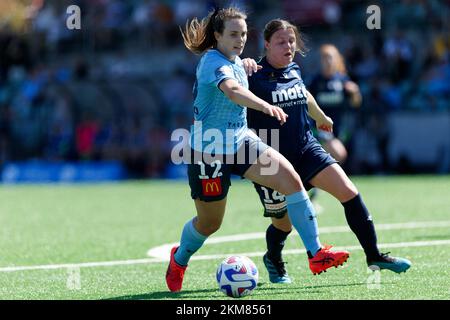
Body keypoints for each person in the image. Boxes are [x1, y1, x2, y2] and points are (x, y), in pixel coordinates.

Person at [165, 8, 349, 293]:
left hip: (241, 142)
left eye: (243, 34)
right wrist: (265, 106)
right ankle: (179, 258)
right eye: (233, 34)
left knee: (292, 181)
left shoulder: (238, 61)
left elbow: (241, 75)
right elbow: (232, 91)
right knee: (210, 223)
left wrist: (247, 63)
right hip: (209, 151)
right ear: (217, 36)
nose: (240, 40)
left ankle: (316, 253)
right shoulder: (211, 62)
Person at [245, 19, 411, 284]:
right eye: (280, 42)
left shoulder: (295, 68)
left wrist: (320, 115)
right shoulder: (251, 74)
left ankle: (374, 255)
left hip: (306, 147)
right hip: (271, 160)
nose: (288, 46)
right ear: (266, 45)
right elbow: (228, 88)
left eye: (291, 41)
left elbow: (305, 94)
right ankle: (273, 258)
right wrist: (239, 65)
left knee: (349, 191)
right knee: (283, 223)